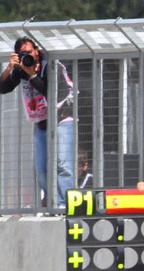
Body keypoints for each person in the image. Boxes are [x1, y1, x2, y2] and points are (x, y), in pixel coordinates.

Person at [0, 36, 75, 208]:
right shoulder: (20, 69)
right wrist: (10, 68)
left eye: (29, 52)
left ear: (37, 50)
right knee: (41, 169)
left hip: (62, 119)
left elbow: (52, 92)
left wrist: (32, 74)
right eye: (23, 54)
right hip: (42, 124)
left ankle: (64, 206)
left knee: (64, 166)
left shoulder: (51, 65)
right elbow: (2, 88)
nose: (28, 56)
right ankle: (52, 202)